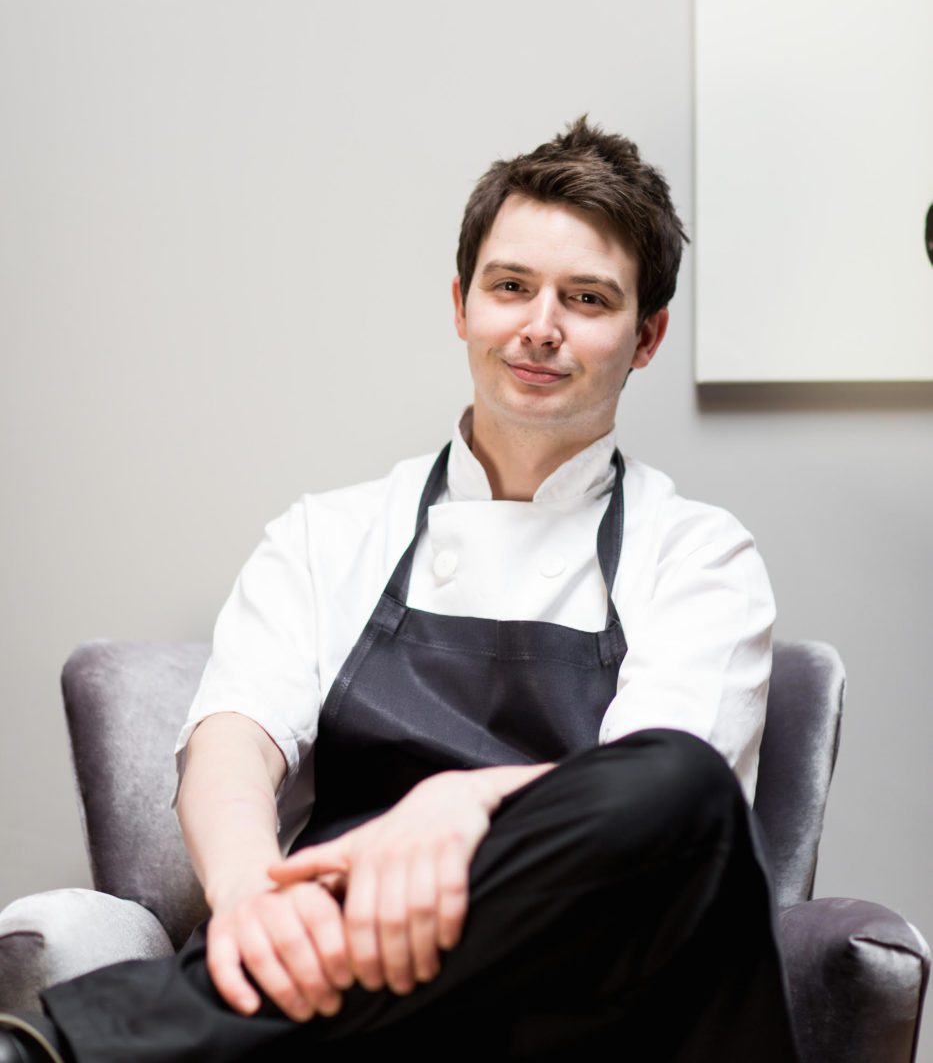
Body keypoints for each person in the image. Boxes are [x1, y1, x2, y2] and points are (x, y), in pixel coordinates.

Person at [0, 117, 801, 1062]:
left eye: (586, 299)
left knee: (682, 786)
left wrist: (460, 807)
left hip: (582, 1007)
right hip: (345, 993)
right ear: (462, 306)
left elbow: (663, 803)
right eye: (510, 287)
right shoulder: (327, 534)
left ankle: (83, 1051)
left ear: (647, 336)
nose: (540, 326)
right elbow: (232, 737)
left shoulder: (697, 554)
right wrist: (251, 894)